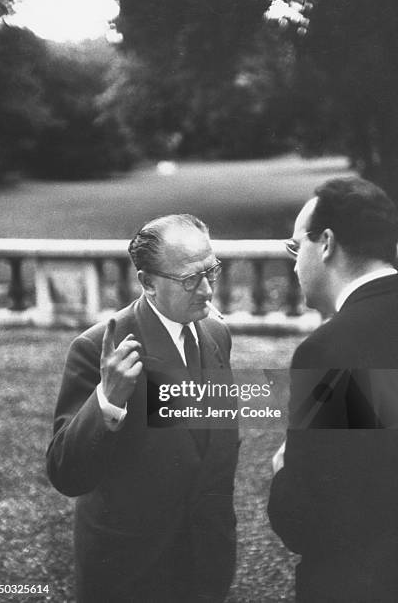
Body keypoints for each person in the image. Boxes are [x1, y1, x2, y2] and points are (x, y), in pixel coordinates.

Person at [47, 214, 239, 603]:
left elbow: (208, 445)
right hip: (130, 572)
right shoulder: (97, 346)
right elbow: (66, 475)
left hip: (205, 562)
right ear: (148, 282)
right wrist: (108, 400)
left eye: (212, 271)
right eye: (190, 279)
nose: (206, 291)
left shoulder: (216, 333)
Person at [267, 177, 398, 602]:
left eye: (294, 247)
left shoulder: (332, 349)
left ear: (325, 243)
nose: (294, 263)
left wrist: (285, 472)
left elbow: (308, 520)